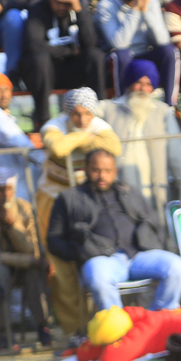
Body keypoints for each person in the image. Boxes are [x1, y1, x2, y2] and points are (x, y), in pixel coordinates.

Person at [49, 148, 181, 312]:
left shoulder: (129, 192)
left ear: (115, 171)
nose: (102, 176)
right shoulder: (69, 198)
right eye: (96, 170)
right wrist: (81, 252)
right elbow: (54, 239)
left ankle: (157, 318)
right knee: (98, 278)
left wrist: (150, 243)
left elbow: (153, 223)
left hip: (139, 255)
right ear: (86, 169)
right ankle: (117, 325)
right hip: (103, 260)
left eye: (107, 171)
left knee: (177, 267)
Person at [38, 87, 123, 336]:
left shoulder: (100, 125)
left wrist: (75, 138)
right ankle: (73, 331)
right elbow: (58, 148)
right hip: (52, 201)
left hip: (85, 203)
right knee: (61, 270)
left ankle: (100, 327)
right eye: (76, 114)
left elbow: (114, 147)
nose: (83, 120)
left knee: (92, 261)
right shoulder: (53, 126)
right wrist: (88, 139)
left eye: (88, 114)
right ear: (67, 113)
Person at [0, 169, 52, 348]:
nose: (5, 195)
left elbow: (32, 249)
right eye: (0, 190)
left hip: (24, 265)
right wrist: (27, 261)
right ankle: (5, 331)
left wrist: (12, 226)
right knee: (0, 274)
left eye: (8, 189)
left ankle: (43, 326)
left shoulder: (24, 208)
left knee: (34, 273)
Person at [100, 59, 181, 212]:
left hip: (154, 187)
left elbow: (177, 154)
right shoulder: (108, 109)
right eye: (138, 82)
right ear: (129, 83)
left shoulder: (162, 112)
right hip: (119, 186)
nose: (143, 89)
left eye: (148, 84)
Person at [22, 0, 106, 129]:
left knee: (95, 56)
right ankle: (43, 120)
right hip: (46, 73)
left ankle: (98, 114)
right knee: (39, 59)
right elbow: (34, 45)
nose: (61, 7)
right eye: (57, 2)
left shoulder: (79, 8)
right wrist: (68, 51)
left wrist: (79, 12)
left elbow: (90, 44)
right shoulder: (37, 10)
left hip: (72, 71)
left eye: (66, 3)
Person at [99, 0, 179, 105]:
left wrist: (145, 10)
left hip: (147, 52)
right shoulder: (106, 5)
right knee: (121, 54)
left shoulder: (152, 1)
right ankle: (122, 105)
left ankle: (171, 106)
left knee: (169, 51)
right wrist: (135, 10)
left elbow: (163, 40)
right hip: (121, 56)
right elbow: (118, 43)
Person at [0, 72, 44, 202]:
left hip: (15, 178)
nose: (4, 95)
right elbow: (17, 141)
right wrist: (45, 160)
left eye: (6, 89)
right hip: (14, 182)